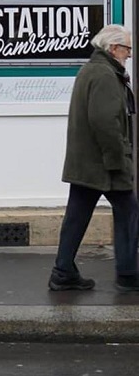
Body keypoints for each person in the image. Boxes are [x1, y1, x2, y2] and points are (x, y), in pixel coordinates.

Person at [49, 24, 138, 292]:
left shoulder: (92, 70)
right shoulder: (105, 74)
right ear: (113, 48)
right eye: (127, 49)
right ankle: (128, 274)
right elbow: (105, 122)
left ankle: (63, 271)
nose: (129, 55)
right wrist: (118, 161)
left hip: (86, 162)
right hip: (104, 163)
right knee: (128, 211)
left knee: (77, 215)